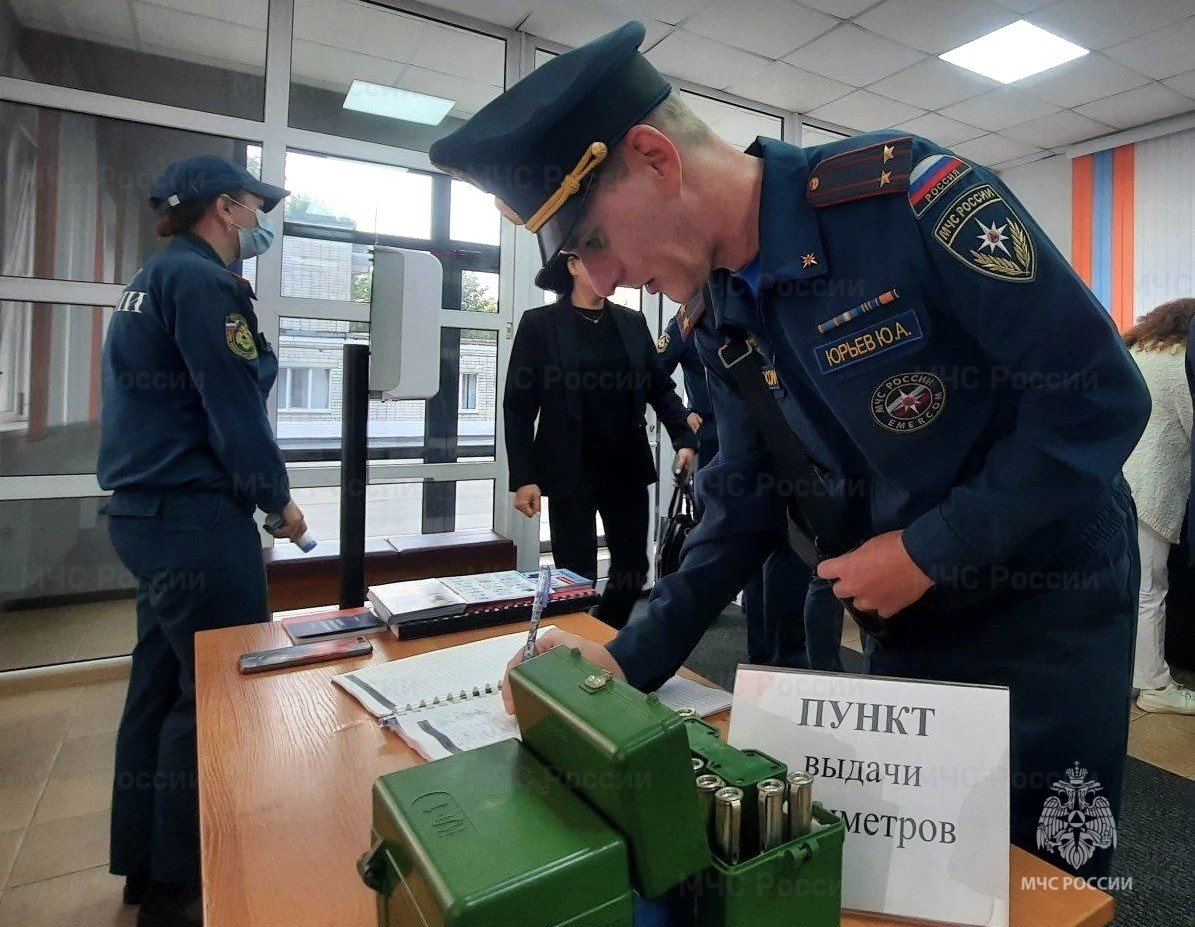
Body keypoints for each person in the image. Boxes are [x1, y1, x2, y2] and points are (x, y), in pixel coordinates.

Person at [430, 22, 1151, 880]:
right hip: (908, 620)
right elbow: (740, 500)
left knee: (1042, 873)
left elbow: (1098, 397)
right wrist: (625, 658)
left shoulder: (909, 201)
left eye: (589, 240)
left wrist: (930, 547)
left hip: (1047, 606)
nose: (606, 276)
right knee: (928, 871)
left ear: (655, 157)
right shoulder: (717, 309)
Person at [98, 155, 307, 926]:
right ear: (223, 207)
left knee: (157, 688)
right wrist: (276, 500)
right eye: (256, 207)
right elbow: (232, 407)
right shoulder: (206, 285)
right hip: (194, 518)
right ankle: (189, 883)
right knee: (217, 698)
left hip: (142, 516)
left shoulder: (150, 278)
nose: (261, 221)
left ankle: (147, 869)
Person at [504, 251, 698, 629]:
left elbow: (659, 388)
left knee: (633, 569)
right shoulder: (539, 325)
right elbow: (518, 407)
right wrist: (524, 477)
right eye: (598, 262)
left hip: (625, 467)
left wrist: (684, 438)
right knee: (576, 577)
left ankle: (603, 640)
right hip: (568, 472)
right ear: (573, 265)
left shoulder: (631, 322)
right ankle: (575, 651)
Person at [659, 295, 843, 671]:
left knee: (786, 549)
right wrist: (684, 419)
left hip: (790, 442)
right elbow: (652, 368)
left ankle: (776, 655)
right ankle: (767, 655)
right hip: (721, 441)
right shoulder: (696, 314)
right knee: (750, 542)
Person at [1122, 299, 1195, 714]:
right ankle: (1153, 686)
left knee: (1130, 585)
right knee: (1152, 586)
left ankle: (1128, 668)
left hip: (1116, 482)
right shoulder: (1181, 362)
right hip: (1152, 487)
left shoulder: (1137, 351)